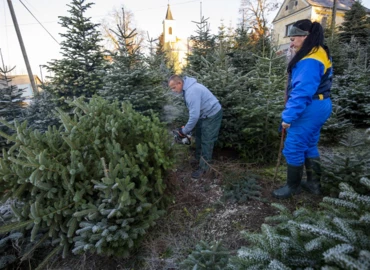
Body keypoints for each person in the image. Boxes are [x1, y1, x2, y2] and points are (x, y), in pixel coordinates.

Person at [272, 19, 333, 199]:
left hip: (310, 107)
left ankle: (293, 186)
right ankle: (314, 185)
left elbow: (301, 92)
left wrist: (288, 117)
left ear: (305, 36)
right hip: (320, 104)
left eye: (293, 39)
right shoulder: (318, 51)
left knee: (294, 146)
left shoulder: (310, 60)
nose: (291, 42)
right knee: (309, 144)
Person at [168, 75, 223, 179]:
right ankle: (198, 158)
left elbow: (194, 116)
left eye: (174, 87)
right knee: (199, 136)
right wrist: (187, 129)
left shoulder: (191, 92)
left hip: (212, 114)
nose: (173, 91)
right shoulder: (186, 88)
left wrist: (184, 131)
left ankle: (204, 168)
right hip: (203, 115)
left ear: (179, 83)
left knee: (207, 140)